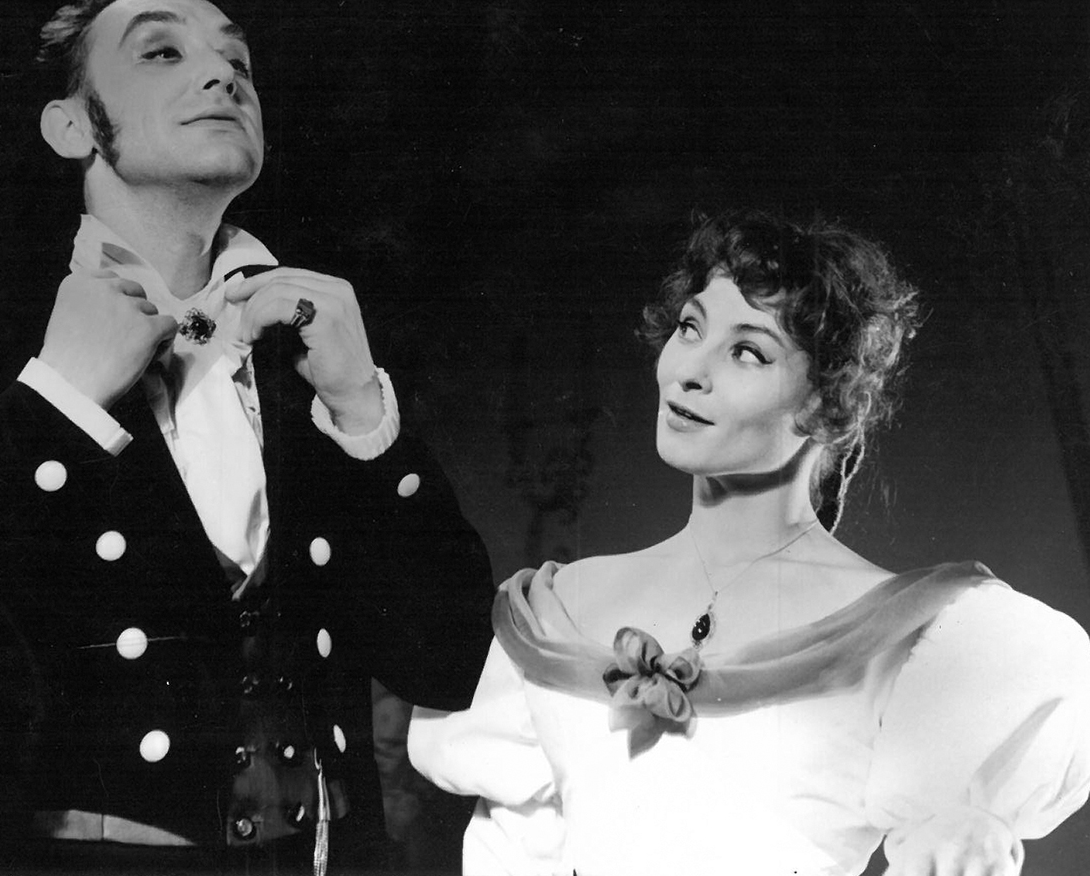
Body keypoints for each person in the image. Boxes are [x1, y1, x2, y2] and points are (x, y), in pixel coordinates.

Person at [0, 0, 494, 873]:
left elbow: (447, 659)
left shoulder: (314, 352)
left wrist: (361, 411)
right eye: (163, 52)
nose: (222, 75)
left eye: (237, 60)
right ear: (71, 127)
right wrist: (56, 404)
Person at [408, 210, 1090, 875]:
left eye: (746, 351)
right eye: (690, 327)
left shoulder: (924, 638)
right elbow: (515, 852)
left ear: (826, 402)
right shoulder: (564, 604)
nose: (689, 370)